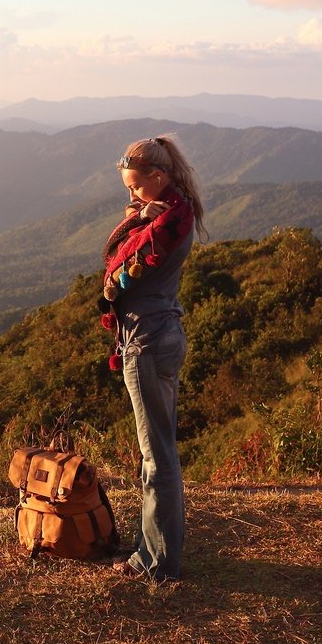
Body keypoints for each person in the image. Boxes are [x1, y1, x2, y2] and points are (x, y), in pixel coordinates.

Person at [97, 135, 204, 582]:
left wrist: (139, 221)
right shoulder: (170, 214)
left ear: (159, 178)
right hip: (163, 335)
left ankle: (158, 562)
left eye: (137, 188)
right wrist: (140, 214)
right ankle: (152, 547)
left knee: (156, 457)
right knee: (156, 453)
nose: (132, 196)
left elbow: (116, 279)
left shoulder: (162, 230)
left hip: (147, 339)